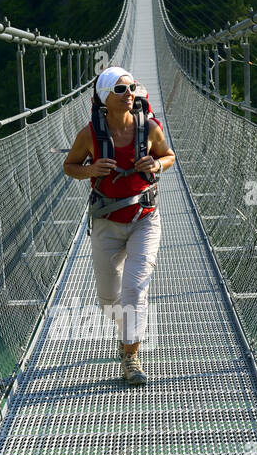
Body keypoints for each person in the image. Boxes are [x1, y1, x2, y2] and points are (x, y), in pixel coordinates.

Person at [62, 66, 175, 385]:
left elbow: (169, 156)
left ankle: (130, 356)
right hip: (106, 222)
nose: (130, 95)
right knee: (109, 298)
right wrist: (91, 169)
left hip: (144, 218)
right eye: (121, 90)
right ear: (104, 98)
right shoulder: (89, 135)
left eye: (133, 88)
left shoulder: (149, 127)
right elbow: (69, 166)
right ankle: (127, 332)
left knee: (134, 289)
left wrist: (156, 163)